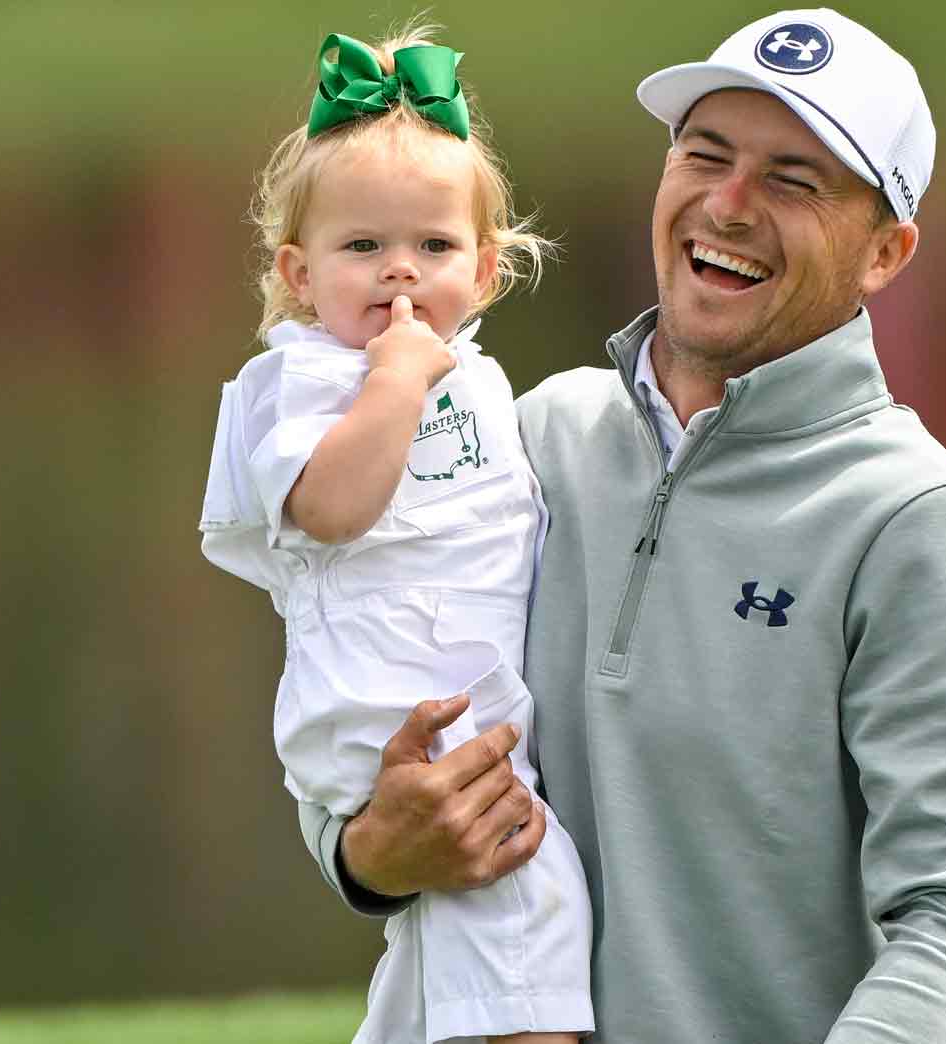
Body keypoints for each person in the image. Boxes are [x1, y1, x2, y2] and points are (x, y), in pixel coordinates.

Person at [300, 9, 946, 1044]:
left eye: (793, 181)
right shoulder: (529, 438)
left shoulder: (924, 528)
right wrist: (369, 855)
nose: (728, 203)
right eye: (702, 155)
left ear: (884, 251)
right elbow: (359, 707)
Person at [197, 26, 593, 1044]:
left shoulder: (483, 379)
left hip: (470, 712)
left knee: (441, 973)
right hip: (407, 720)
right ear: (297, 271)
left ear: (488, 268)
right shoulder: (308, 382)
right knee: (526, 935)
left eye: (433, 247)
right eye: (361, 248)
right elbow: (329, 507)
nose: (398, 278)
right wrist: (392, 381)